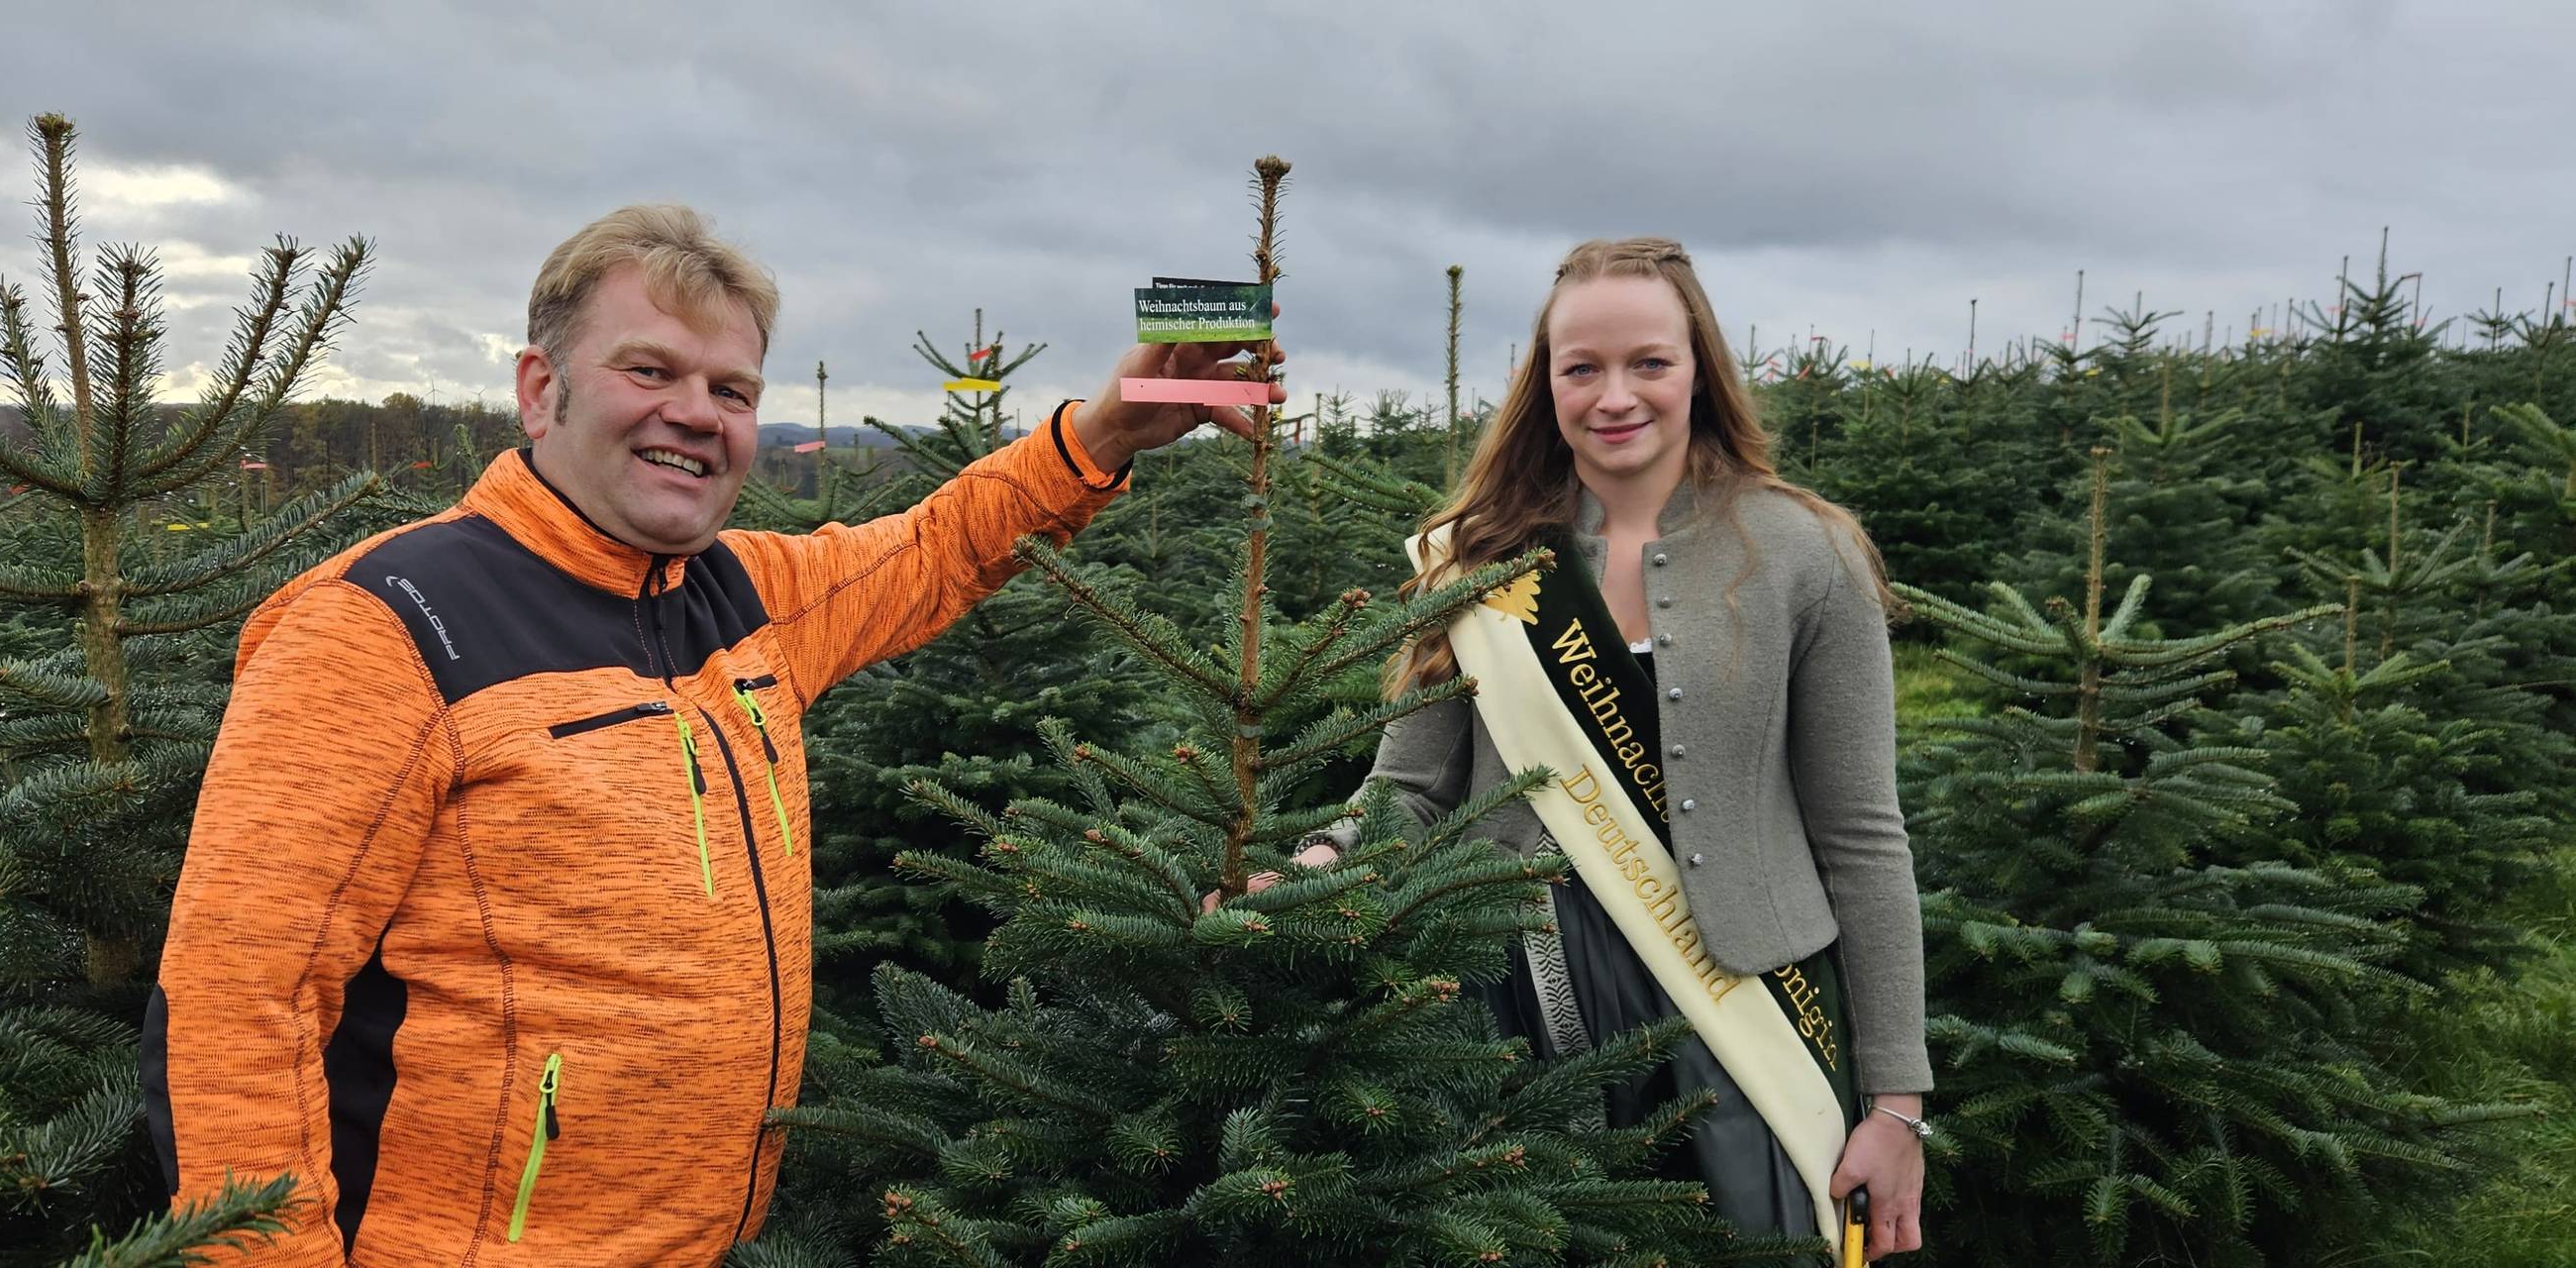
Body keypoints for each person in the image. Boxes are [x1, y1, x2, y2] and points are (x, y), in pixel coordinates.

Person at [143, 204, 1281, 1266]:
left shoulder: (740, 595)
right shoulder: (388, 625)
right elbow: (239, 1001)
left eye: (732, 388)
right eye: (650, 370)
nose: (698, 412)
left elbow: (935, 548)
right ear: (541, 390)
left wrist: (1106, 429)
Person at [1293, 237, 1929, 1259]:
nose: (1614, 394)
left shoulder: (1809, 553)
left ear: (1699, 369)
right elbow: (1407, 789)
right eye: (1580, 367)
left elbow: (1861, 833)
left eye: (1649, 362)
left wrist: (1897, 1105)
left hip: (1747, 1025)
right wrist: (1309, 870)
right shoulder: (1475, 557)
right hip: (1515, 1012)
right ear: (1544, 383)